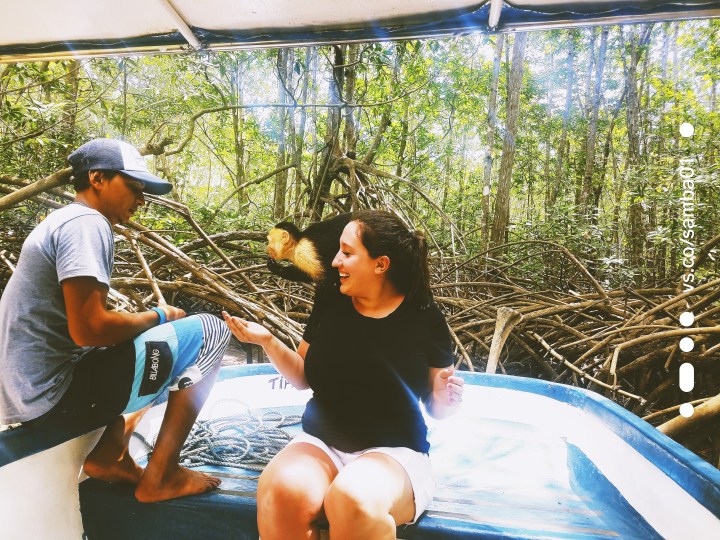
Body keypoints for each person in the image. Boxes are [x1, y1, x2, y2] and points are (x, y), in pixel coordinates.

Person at [0, 138, 231, 503]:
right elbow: (90, 329)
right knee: (212, 331)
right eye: (135, 188)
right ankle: (162, 475)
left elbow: (87, 332)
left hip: (27, 397)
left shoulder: (63, 219)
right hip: (51, 399)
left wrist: (147, 325)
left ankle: (112, 454)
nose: (140, 200)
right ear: (97, 178)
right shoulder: (87, 224)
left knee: (148, 340)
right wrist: (156, 315)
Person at [223, 210, 464, 539]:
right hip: (322, 441)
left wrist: (445, 397)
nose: (335, 261)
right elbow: (302, 376)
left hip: (394, 453)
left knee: (352, 500)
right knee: (282, 491)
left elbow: (439, 408)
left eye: (347, 253)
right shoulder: (330, 298)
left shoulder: (424, 316)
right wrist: (267, 340)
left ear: (380, 264)